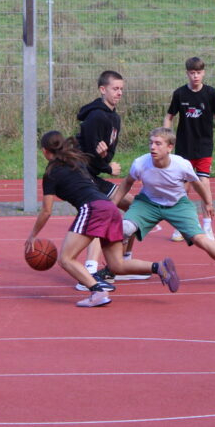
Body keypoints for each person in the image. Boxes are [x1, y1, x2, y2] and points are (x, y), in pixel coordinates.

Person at [25, 131, 179, 308]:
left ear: (44, 151)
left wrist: (32, 235)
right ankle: (159, 267)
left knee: (66, 259)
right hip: (109, 207)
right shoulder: (76, 161)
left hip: (92, 209)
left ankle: (98, 291)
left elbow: (46, 211)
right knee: (117, 265)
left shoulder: (51, 173)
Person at [115, 127, 215, 286]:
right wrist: (112, 205)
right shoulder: (140, 163)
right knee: (124, 229)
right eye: (151, 143)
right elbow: (126, 183)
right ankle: (117, 267)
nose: (152, 147)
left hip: (177, 204)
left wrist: (208, 203)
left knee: (200, 239)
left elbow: (197, 184)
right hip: (148, 203)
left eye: (158, 143)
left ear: (169, 147)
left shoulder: (181, 165)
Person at [163, 56, 215, 242]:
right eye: (192, 73)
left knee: (204, 184)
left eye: (198, 73)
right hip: (184, 147)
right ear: (187, 73)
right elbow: (169, 116)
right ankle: (180, 227)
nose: (195, 76)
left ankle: (207, 226)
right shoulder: (180, 94)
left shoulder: (211, 93)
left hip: (204, 146)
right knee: (183, 188)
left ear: (203, 73)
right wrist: (166, 139)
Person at [74, 70, 128, 284]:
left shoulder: (114, 117)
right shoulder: (96, 116)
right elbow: (88, 154)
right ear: (102, 90)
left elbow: (105, 152)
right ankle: (90, 270)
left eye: (121, 89)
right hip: (82, 176)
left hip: (94, 173)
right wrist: (106, 166)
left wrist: (105, 160)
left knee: (134, 206)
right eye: (115, 89)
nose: (119, 93)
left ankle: (124, 261)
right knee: (101, 214)